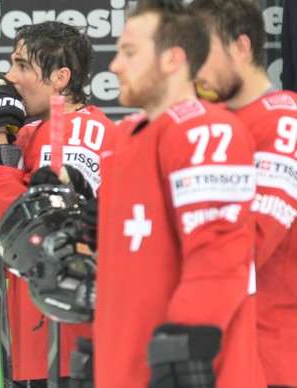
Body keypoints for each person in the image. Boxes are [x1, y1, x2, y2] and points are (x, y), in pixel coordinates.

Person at [93, 0, 266, 386]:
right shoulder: (124, 136)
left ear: (173, 59)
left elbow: (219, 256)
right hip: (130, 370)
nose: (115, 65)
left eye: (129, 52)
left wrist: (185, 344)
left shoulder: (206, 130)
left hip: (190, 372)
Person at [0, 21, 118, 386]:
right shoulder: (31, 133)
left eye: (22, 65)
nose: (9, 77)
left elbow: (30, 228)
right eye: (10, 63)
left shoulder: (72, 131)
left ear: (60, 78)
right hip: (34, 341)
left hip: (67, 342)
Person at [192, 0, 297, 386]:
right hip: (215, 352)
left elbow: (253, 242)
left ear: (241, 47)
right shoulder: (207, 122)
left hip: (270, 358)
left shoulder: (284, 119)